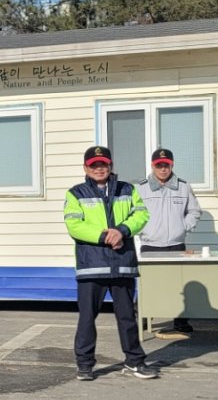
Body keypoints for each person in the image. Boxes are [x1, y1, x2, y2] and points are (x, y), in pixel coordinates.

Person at [63, 146, 159, 381]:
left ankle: (135, 362)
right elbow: (74, 226)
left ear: (110, 166)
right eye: (94, 165)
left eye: (103, 164)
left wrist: (122, 230)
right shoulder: (75, 193)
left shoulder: (128, 189)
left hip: (122, 264)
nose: (99, 169)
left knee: (127, 318)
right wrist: (106, 236)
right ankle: (84, 365)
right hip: (91, 266)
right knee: (87, 319)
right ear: (85, 168)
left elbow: (142, 215)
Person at [137, 147, 201, 332]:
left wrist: (183, 226)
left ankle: (181, 322)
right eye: (159, 165)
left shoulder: (183, 186)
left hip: (176, 245)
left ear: (172, 165)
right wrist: (142, 229)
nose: (163, 169)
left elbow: (195, 211)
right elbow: (133, 214)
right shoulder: (140, 188)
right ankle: (142, 318)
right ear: (152, 166)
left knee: (179, 284)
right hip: (150, 245)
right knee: (149, 284)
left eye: (167, 165)